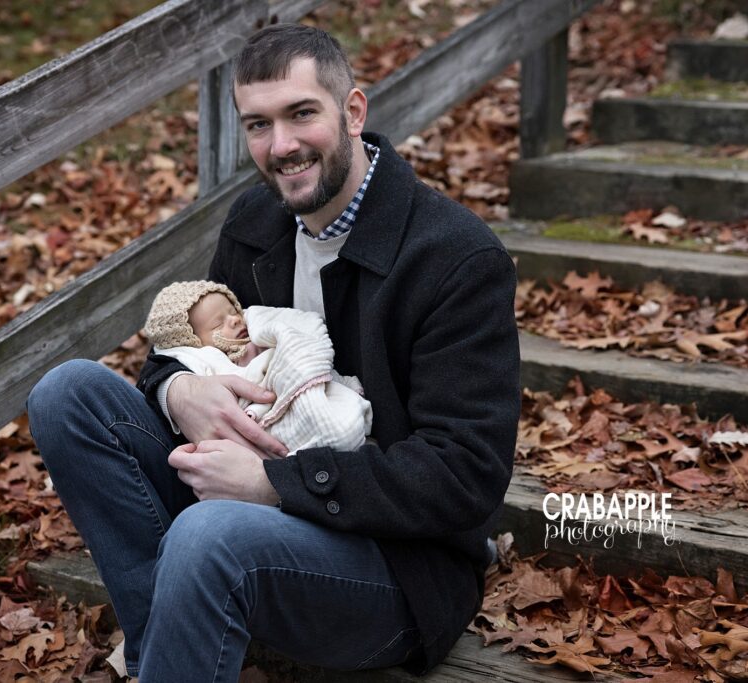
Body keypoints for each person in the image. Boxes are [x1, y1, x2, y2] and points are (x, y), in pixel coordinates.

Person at [27, 22, 519, 681]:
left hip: (395, 569)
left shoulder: (455, 257)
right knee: (67, 394)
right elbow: (180, 351)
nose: (281, 146)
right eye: (258, 124)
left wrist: (272, 485)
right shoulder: (255, 225)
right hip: (241, 508)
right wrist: (178, 389)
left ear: (352, 111)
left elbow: (464, 474)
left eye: (301, 114)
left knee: (208, 536)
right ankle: (164, 648)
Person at [142, 279, 373, 454]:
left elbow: (294, 338)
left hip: (298, 383)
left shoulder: (258, 333)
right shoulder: (209, 361)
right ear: (194, 344)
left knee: (335, 420)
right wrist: (175, 388)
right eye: (217, 324)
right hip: (259, 421)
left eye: (233, 311)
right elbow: (162, 362)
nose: (234, 320)